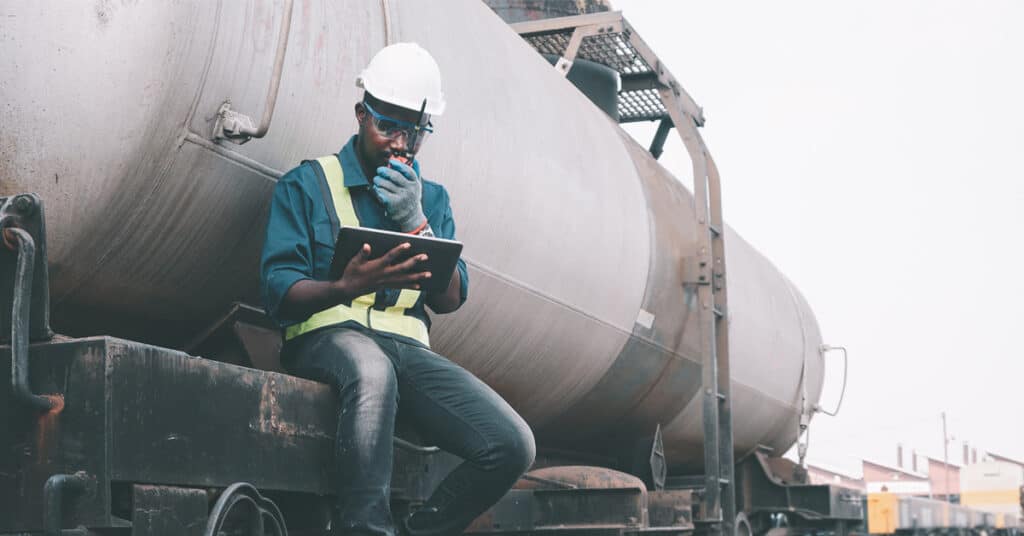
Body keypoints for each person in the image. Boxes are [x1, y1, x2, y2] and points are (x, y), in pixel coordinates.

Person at [259, 43, 535, 536]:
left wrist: (417, 222)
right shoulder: (307, 184)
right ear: (362, 115)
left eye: (414, 132)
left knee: (512, 443)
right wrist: (346, 287)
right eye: (388, 127)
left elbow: (449, 298)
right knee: (371, 369)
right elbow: (279, 293)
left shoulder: (431, 200)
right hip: (325, 340)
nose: (400, 145)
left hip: (407, 352)